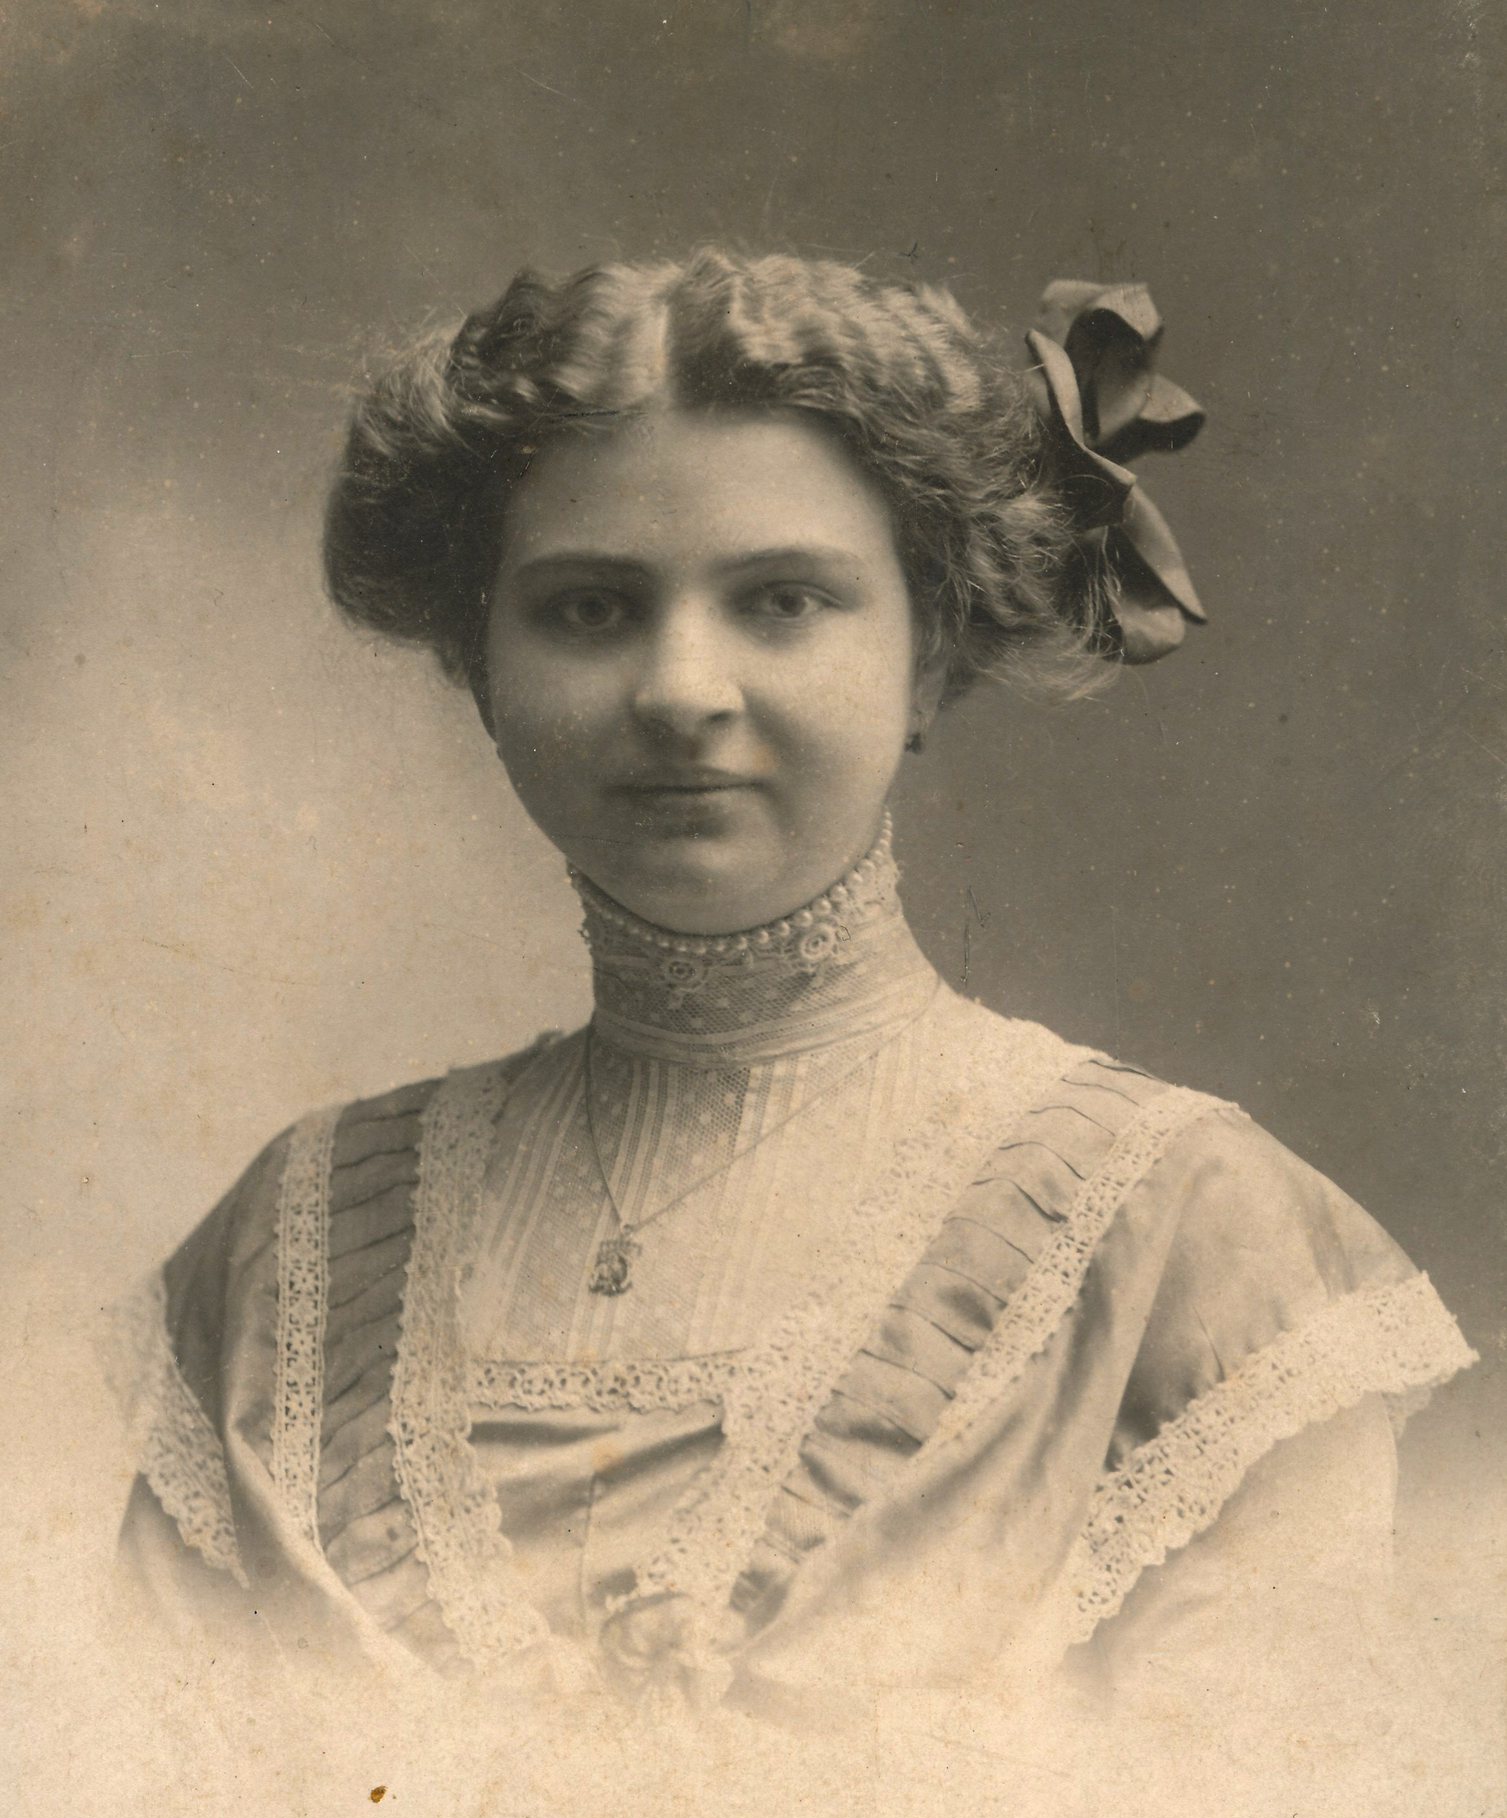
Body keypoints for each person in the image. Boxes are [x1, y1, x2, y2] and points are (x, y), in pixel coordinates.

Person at [104, 247, 1473, 1719]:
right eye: (589, 609)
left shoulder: (1190, 1240)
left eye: (782, 601)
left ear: (929, 650)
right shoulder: (294, 1246)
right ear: (478, 664)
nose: (681, 692)